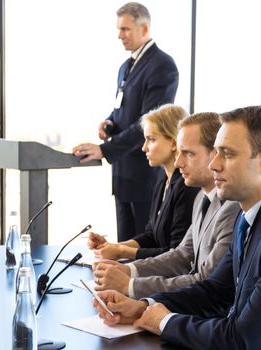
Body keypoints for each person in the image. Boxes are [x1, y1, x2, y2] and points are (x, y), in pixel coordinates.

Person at [93, 106, 261, 349]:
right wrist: (142, 307)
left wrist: (164, 322)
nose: (214, 164)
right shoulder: (252, 217)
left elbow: (243, 340)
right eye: (215, 152)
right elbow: (215, 291)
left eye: (227, 154)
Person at [92, 112, 240, 299]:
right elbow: (182, 255)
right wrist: (128, 269)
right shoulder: (202, 198)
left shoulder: (231, 208)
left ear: (215, 154)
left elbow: (205, 281)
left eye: (188, 153)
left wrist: (130, 285)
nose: (179, 162)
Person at [72, 2, 179, 242]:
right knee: (123, 247)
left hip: (143, 173)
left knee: (141, 249)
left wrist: (104, 149)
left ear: (144, 29)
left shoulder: (162, 65)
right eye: (119, 30)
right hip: (122, 173)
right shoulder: (126, 66)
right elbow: (123, 108)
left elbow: (149, 122)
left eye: (125, 29)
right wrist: (110, 122)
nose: (119, 35)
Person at [88, 105, 199, 261]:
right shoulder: (163, 180)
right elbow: (151, 235)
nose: (144, 148)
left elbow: (176, 254)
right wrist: (112, 247)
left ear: (174, 142)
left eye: (151, 140)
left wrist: (121, 252)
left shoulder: (186, 186)